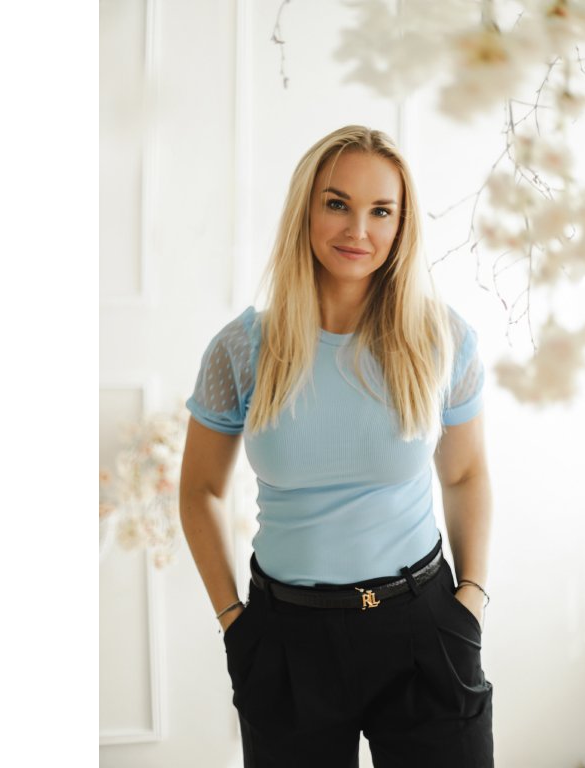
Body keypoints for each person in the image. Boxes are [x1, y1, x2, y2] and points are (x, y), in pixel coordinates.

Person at [179, 125, 494, 767]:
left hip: (423, 630)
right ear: (306, 208)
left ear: (402, 225)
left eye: (381, 211)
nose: (358, 229)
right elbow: (199, 490)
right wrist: (234, 622)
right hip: (286, 641)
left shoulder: (441, 340)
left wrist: (472, 599)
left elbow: (465, 475)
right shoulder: (242, 349)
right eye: (337, 203)